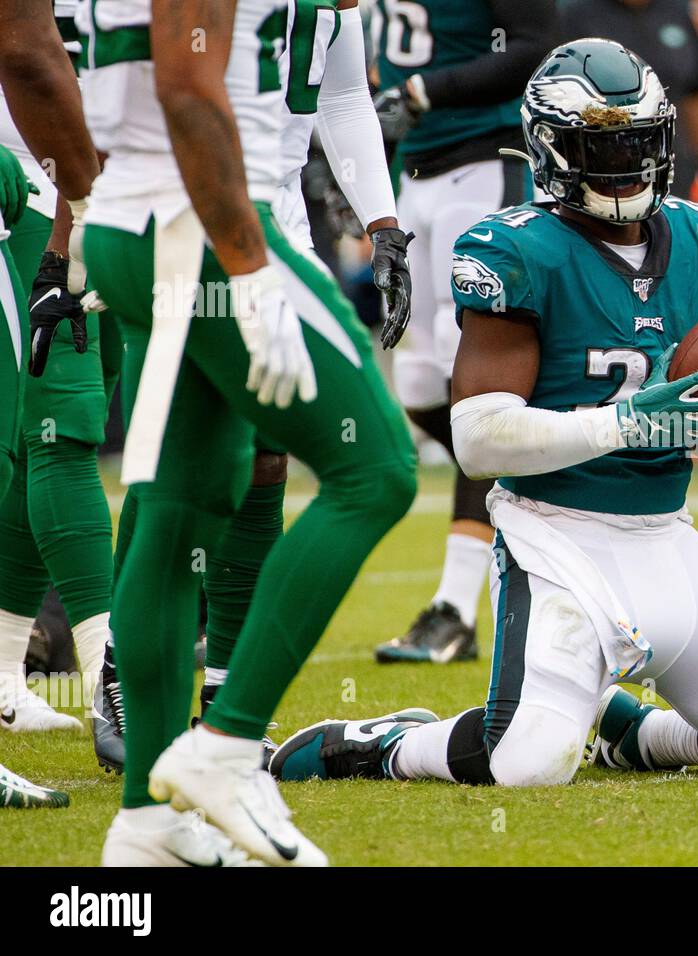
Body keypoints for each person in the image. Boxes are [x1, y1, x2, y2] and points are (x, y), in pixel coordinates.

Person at [270, 39, 698, 790]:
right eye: (601, 148)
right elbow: (477, 439)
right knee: (528, 763)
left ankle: (634, 736)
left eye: (639, 143)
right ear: (551, 150)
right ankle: (380, 744)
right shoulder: (518, 248)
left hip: (667, 540)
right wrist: (628, 423)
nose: (626, 165)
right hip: (557, 543)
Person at [84, 0, 417, 866]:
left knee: (184, 501)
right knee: (377, 469)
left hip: (166, 214)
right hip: (203, 220)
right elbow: (186, 86)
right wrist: (247, 267)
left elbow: (334, 88)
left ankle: (147, 825)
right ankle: (228, 747)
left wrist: (378, 220)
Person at [369, 0, 557, 666]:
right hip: (413, 171)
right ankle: (538, 488)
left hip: (484, 162)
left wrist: (426, 91)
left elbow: (533, 43)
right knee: (420, 381)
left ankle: (456, 607)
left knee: (474, 387)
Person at [0, 0, 110, 738]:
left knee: (40, 431)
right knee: (58, 422)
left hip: (113, 179)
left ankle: (6, 671)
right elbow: (29, 47)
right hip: (36, 182)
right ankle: (113, 677)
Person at [555, 0, 698, 204]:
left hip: (673, 164)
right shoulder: (573, 14)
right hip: (605, 168)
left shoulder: (677, 10)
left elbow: (696, 93)